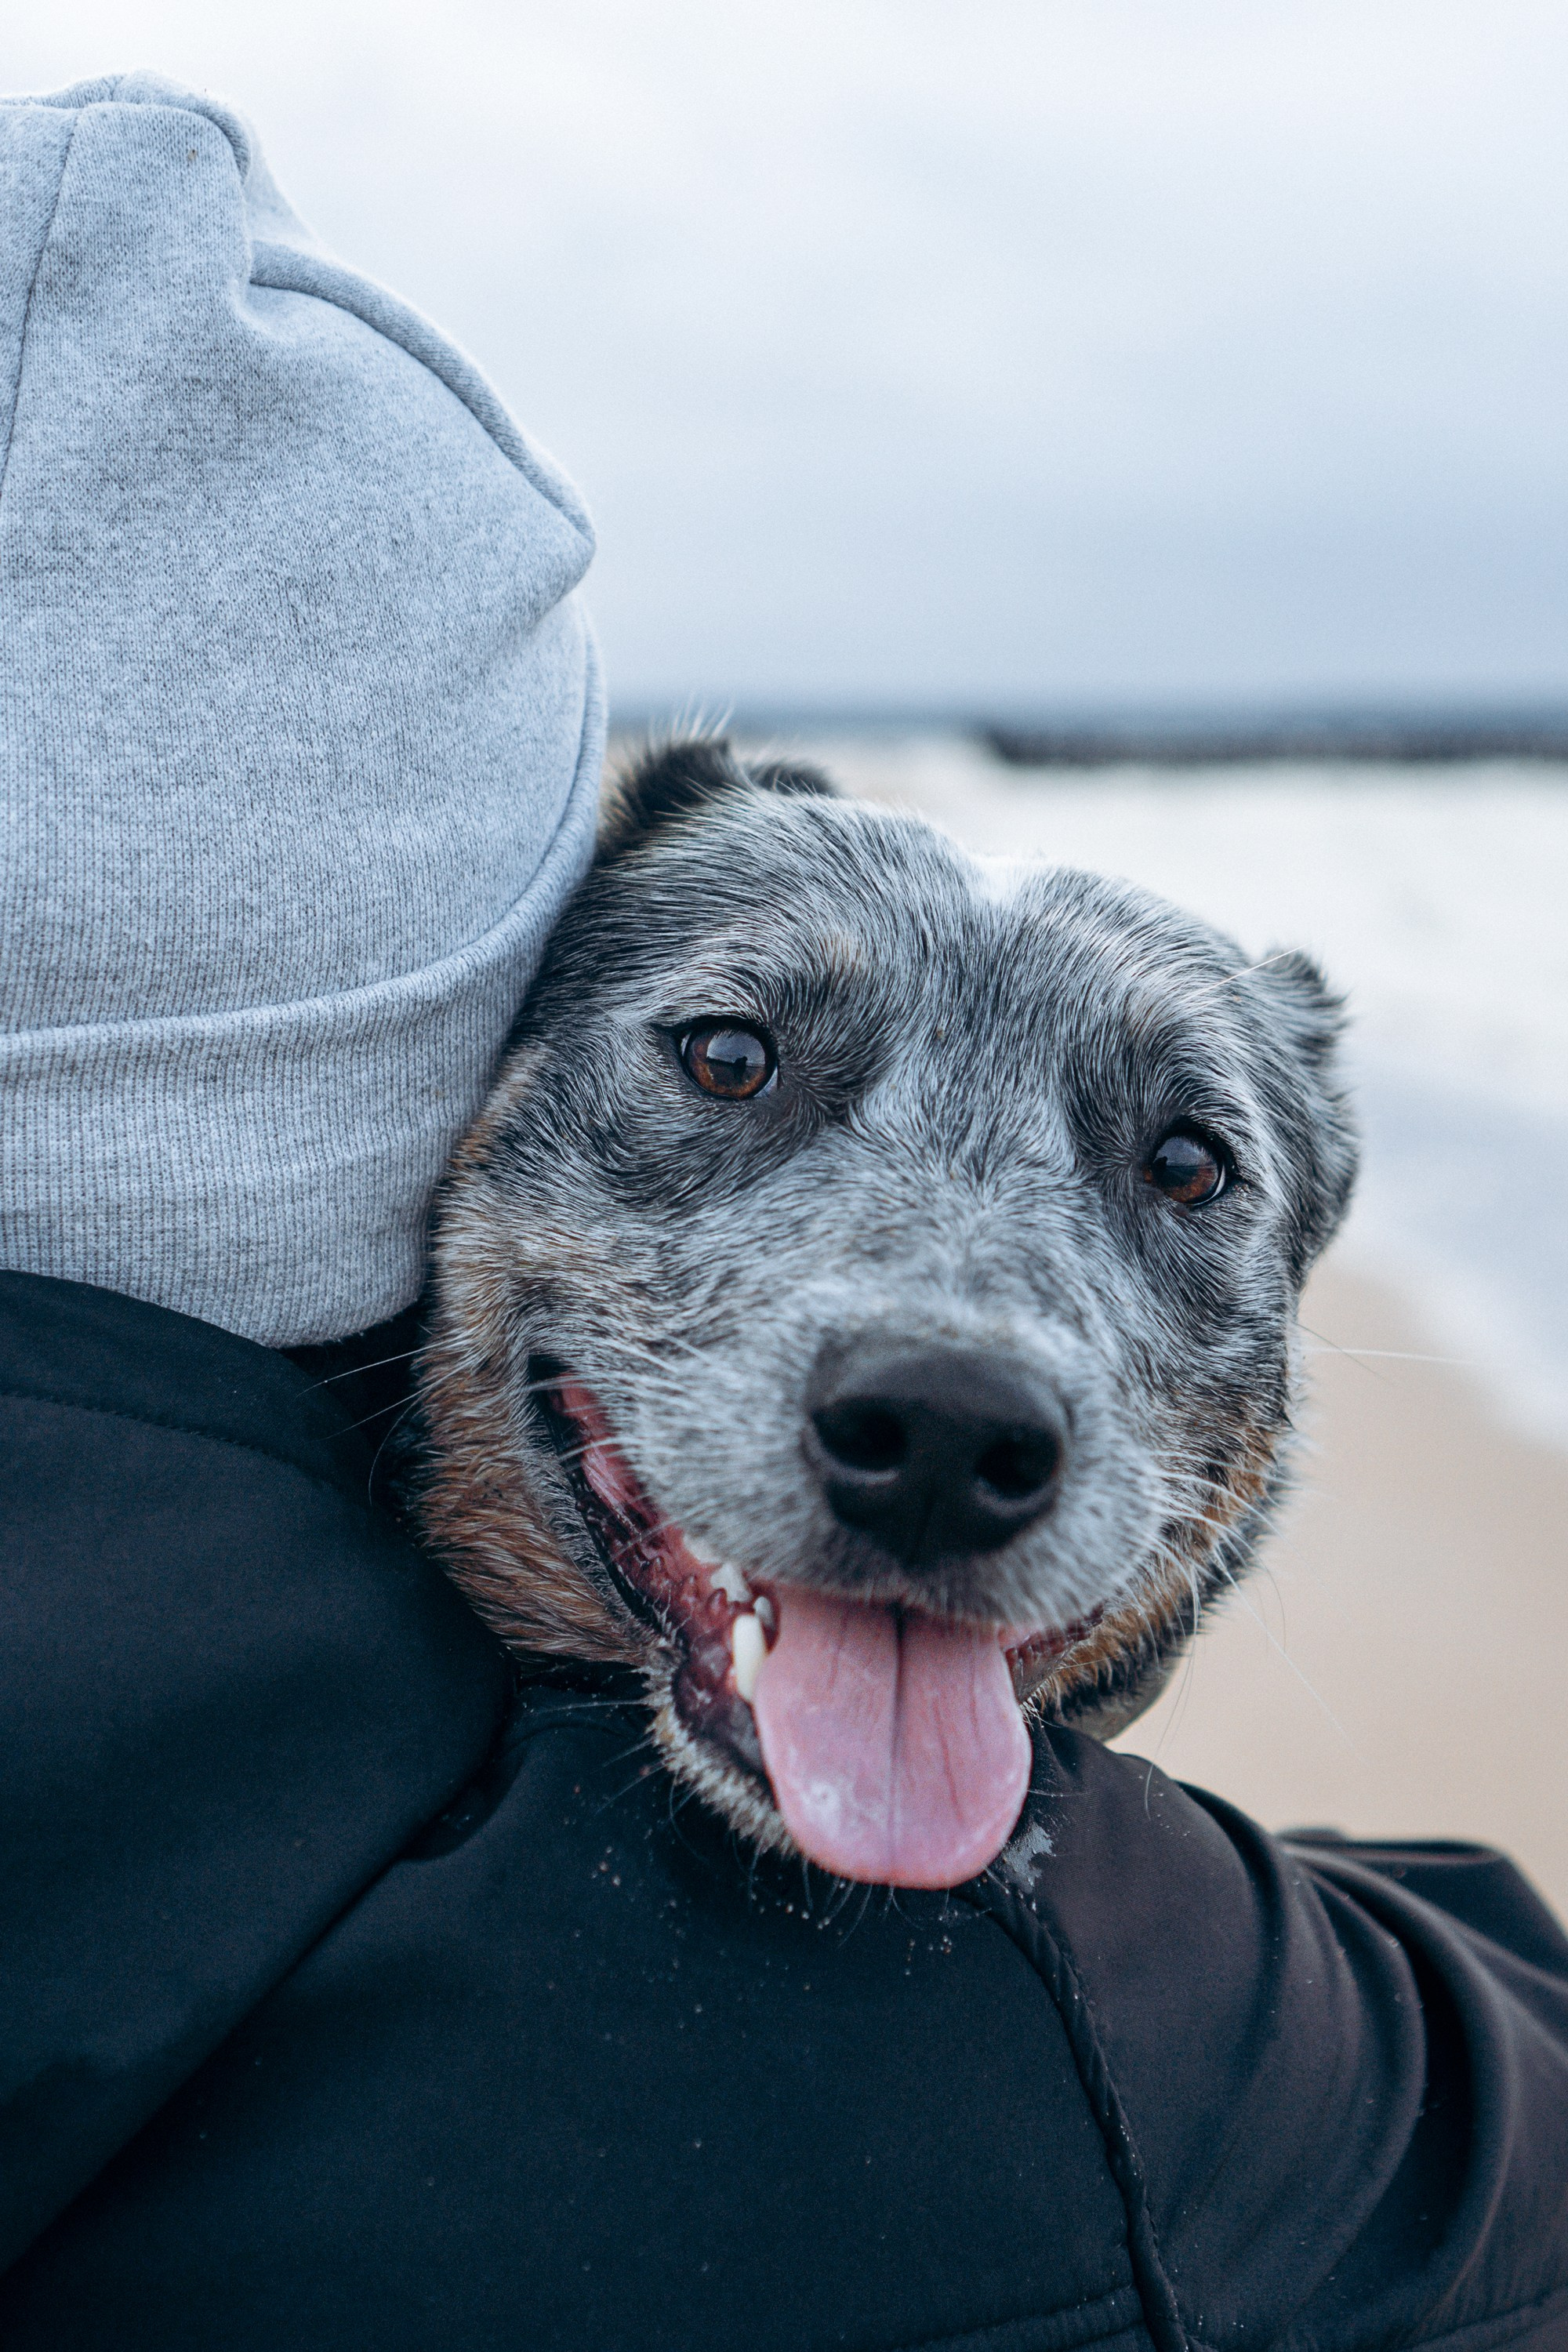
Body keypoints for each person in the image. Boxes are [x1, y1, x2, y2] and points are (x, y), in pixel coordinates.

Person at [2, 73, 1565, 2352]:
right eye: (730, 1064)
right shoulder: (1051, 2099)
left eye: (1180, 1170)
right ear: (444, 1062)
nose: (970, 1366)